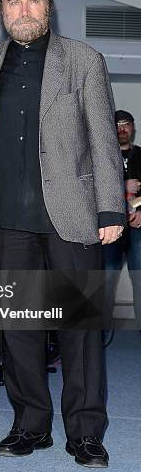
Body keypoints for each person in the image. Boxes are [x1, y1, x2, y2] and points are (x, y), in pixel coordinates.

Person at [0, 0, 125, 468]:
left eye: (33, 0)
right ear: (1, 11)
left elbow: (103, 139)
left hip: (74, 217)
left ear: (49, 5)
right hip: (7, 221)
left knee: (79, 328)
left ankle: (84, 431)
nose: (24, 10)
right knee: (19, 330)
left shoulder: (83, 59)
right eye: (13, 2)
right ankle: (30, 424)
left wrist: (110, 208)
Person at [103, 110, 141, 322]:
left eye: (126, 124)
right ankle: (100, 333)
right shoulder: (104, 158)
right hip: (111, 228)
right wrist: (123, 185)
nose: (122, 128)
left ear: (133, 127)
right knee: (106, 277)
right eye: (117, 124)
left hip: (138, 227)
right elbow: (94, 190)